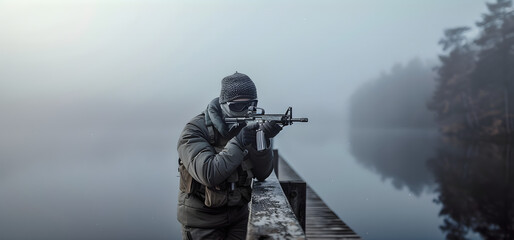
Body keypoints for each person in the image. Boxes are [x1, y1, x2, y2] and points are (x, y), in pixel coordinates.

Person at [177, 72, 283, 239]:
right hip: (202, 223)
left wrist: (262, 142)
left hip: (238, 218)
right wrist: (239, 142)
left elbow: (263, 174)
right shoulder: (194, 130)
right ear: (222, 104)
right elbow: (209, 174)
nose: (245, 112)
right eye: (236, 106)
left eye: (250, 106)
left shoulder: (246, 125)